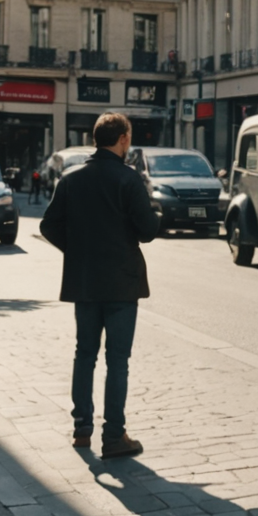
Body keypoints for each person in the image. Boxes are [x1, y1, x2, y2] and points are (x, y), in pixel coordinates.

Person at [39, 112, 158, 459]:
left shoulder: (72, 180)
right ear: (122, 139)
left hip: (85, 279)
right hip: (121, 281)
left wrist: (77, 250)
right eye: (129, 138)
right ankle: (114, 435)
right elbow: (148, 230)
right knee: (117, 360)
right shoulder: (128, 179)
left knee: (84, 354)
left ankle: (81, 429)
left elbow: (49, 225)